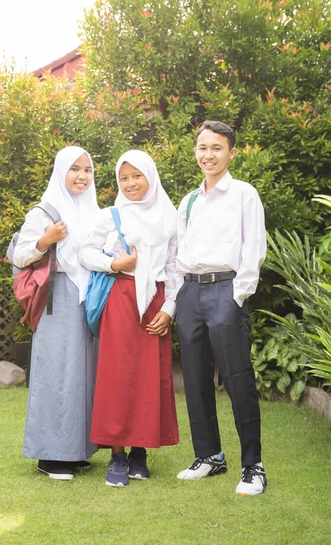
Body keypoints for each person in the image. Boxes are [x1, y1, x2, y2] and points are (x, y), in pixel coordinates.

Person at [175, 120, 267, 496]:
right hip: (191, 293)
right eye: (202, 148)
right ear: (195, 152)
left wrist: (237, 295)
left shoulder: (244, 194)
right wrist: (181, 294)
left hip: (226, 291)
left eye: (216, 148)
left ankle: (253, 466)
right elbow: (180, 250)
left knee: (237, 379)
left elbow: (254, 248)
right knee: (194, 380)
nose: (208, 155)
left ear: (231, 152)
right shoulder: (189, 200)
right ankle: (209, 456)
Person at [79, 150, 179, 487]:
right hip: (120, 301)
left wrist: (170, 309)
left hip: (155, 304)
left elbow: (176, 268)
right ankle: (117, 456)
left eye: (137, 175)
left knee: (151, 377)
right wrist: (114, 264)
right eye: (124, 177)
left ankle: (140, 452)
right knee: (116, 377)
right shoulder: (112, 215)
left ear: (150, 176)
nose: (131, 183)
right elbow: (85, 251)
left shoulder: (171, 216)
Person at [13, 145, 99, 480]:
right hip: (57, 296)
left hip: (85, 295)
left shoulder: (91, 209)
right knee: (57, 374)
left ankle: (75, 450)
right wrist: (46, 239)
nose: (82, 176)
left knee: (82, 372)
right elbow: (20, 255)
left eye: (88, 170)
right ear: (61, 172)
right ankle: (51, 456)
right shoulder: (45, 211)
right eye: (75, 169)